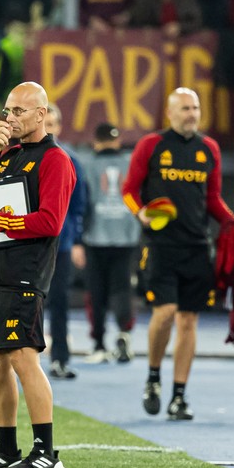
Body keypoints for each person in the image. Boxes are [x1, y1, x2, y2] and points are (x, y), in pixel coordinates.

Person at [0, 81, 76, 468]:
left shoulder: (56, 159)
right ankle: (6, 448)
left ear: (41, 115)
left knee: (23, 356)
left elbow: (51, 221)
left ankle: (46, 451)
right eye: (8, 110)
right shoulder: (6, 153)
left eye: (20, 112)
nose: (10, 118)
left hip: (26, 271)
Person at [121, 87, 234, 421]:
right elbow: (129, 190)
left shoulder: (208, 148)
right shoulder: (152, 145)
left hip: (198, 246)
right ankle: (154, 376)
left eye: (196, 107)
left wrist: (231, 222)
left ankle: (179, 396)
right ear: (169, 113)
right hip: (161, 245)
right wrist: (140, 212)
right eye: (185, 108)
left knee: (189, 319)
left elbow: (212, 198)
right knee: (166, 312)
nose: (192, 113)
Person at [80, 123, 140, 364]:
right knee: (123, 289)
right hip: (126, 237)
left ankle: (98, 344)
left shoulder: (87, 165)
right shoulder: (130, 163)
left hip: (96, 237)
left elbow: (83, 203)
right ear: (117, 141)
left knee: (96, 292)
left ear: (96, 141)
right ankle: (124, 333)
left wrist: (77, 238)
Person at [42, 103, 86, 380]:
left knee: (59, 302)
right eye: (44, 123)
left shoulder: (72, 162)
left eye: (53, 123)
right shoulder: (23, 158)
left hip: (62, 244)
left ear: (59, 127)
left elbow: (80, 205)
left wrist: (78, 240)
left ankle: (59, 358)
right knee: (28, 302)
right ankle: (22, 357)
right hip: (30, 243)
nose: (49, 129)